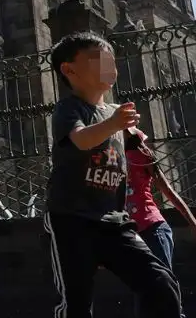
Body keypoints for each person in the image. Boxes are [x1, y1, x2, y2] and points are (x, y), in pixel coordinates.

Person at [44, 31, 182, 317]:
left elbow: (141, 160)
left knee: (160, 282)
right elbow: (81, 140)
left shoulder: (115, 112)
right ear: (69, 70)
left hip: (114, 222)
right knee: (77, 303)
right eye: (99, 61)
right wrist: (114, 123)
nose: (111, 68)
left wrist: (132, 132)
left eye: (112, 62)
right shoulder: (68, 108)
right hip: (72, 219)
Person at [126, 127, 196, 273]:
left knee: (163, 285)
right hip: (132, 234)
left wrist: (192, 222)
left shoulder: (141, 156)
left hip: (153, 228)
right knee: (146, 289)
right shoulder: (113, 159)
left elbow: (169, 192)